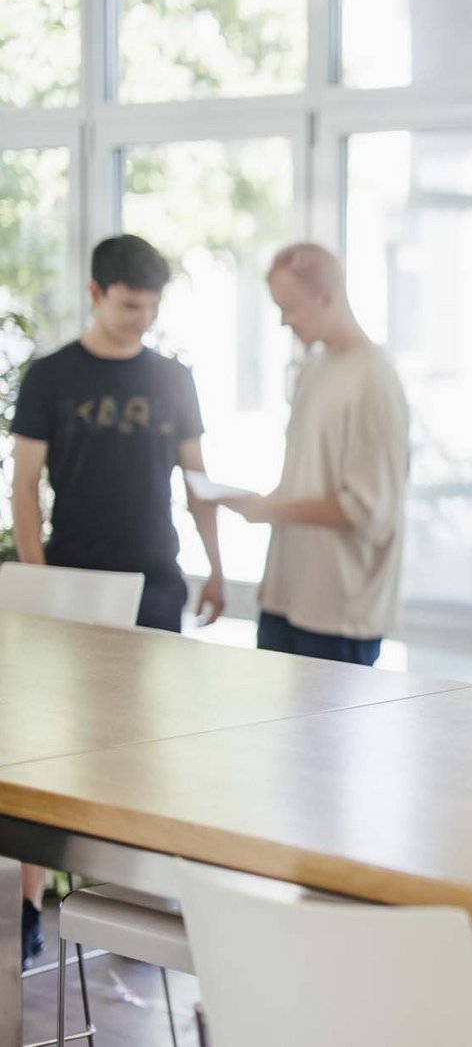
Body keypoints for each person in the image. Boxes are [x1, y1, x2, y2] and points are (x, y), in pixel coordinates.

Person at [9, 232, 226, 967]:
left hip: (154, 581)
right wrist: (40, 583)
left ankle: (130, 903)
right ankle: (30, 901)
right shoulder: (49, 377)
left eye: (151, 307)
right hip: (73, 581)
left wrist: (217, 565)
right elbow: (24, 487)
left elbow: (197, 482)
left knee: (142, 745)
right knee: (47, 747)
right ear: (97, 294)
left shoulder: (173, 377)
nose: (140, 318)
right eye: (130, 304)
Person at [217, 243, 408, 666]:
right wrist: (264, 504)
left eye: (290, 307)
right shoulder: (315, 368)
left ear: (326, 297)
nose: (284, 321)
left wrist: (271, 510)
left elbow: (369, 510)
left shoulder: (374, 379)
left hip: (337, 614)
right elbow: (310, 478)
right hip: (286, 598)